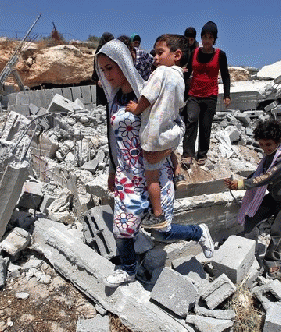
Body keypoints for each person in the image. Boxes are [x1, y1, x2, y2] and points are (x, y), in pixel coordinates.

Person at [95, 39, 214, 287]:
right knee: (123, 227)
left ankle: (199, 232)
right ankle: (128, 269)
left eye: (110, 68)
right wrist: (112, 170)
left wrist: (168, 151)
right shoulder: (114, 99)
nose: (106, 75)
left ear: (123, 65)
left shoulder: (146, 94)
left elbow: (176, 127)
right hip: (127, 176)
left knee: (162, 230)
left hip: (155, 173)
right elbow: (113, 140)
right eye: (102, 69)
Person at [224, 120, 281, 278]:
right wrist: (238, 181)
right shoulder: (269, 157)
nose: (265, 148)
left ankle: (272, 261)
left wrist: (240, 184)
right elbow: (257, 175)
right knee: (251, 215)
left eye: (268, 144)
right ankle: (245, 243)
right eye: (261, 144)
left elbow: (266, 178)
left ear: (278, 141)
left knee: (278, 231)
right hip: (276, 196)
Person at [125, 34, 186, 228]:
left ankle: (157, 214)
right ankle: (177, 171)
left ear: (177, 55)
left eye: (160, 53)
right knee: (170, 150)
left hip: (152, 137)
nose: (155, 58)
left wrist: (136, 108)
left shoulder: (160, 73)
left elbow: (147, 96)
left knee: (151, 178)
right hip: (168, 132)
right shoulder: (180, 77)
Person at [181, 21, 231, 168]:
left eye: (210, 37)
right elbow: (189, 71)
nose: (207, 40)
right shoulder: (194, 52)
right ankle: (187, 154)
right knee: (191, 120)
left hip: (210, 95)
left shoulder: (220, 55)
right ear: (201, 38)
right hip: (194, 94)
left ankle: (202, 153)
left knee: (205, 125)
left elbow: (226, 75)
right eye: (204, 37)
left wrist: (227, 95)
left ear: (214, 39)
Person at [91, 32, 114, 106]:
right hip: (102, 78)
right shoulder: (100, 50)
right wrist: (99, 78)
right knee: (102, 100)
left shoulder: (111, 50)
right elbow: (97, 66)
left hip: (109, 78)